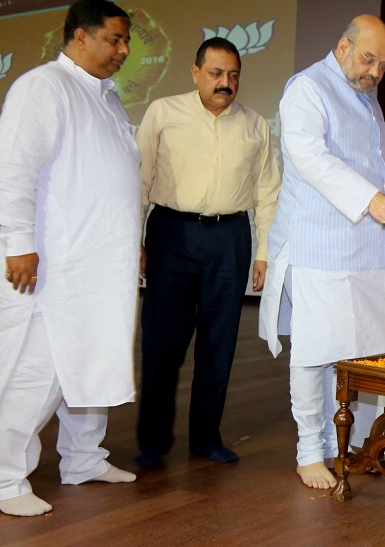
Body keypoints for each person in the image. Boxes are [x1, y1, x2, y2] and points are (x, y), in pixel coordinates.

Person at [0, 0, 140, 517]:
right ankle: (4, 479)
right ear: (79, 37)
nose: (122, 50)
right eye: (113, 39)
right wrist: (19, 242)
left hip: (100, 267)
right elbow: (12, 172)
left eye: (125, 41)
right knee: (37, 373)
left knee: (93, 364)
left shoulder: (108, 99)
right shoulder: (43, 87)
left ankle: (83, 460)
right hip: (53, 267)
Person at [258, 14, 385, 490]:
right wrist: (371, 200)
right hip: (317, 246)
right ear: (342, 45)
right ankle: (309, 450)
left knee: (360, 353)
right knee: (314, 351)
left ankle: (346, 442)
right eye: (369, 59)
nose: (375, 73)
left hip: (363, 248)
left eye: (384, 66)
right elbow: (310, 157)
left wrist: (381, 209)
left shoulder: (368, 98)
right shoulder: (307, 87)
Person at [135, 37, 280, 469]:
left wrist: (264, 253)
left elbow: (268, 193)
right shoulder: (163, 112)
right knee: (162, 343)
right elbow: (139, 181)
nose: (225, 83)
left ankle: (206, 437)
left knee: (218, 345)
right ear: (195, 73)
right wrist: (133, 241)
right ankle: (153, 442)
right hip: (171, 235)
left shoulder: (256, 125)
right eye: (216, 74)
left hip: (229, 238)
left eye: (233, 75)